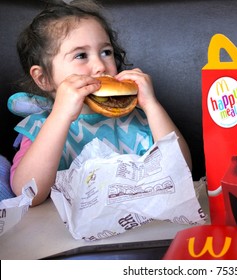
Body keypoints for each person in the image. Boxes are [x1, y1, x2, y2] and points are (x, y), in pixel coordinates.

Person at [9, 0, 192, 206]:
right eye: (81, 55)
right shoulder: (41, 128)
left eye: (106, 52)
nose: (99, 66)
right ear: (44, 79)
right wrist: (60, 116)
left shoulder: (138, 121)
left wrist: (152, 106)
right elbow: (28, 195)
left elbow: (181, 171)